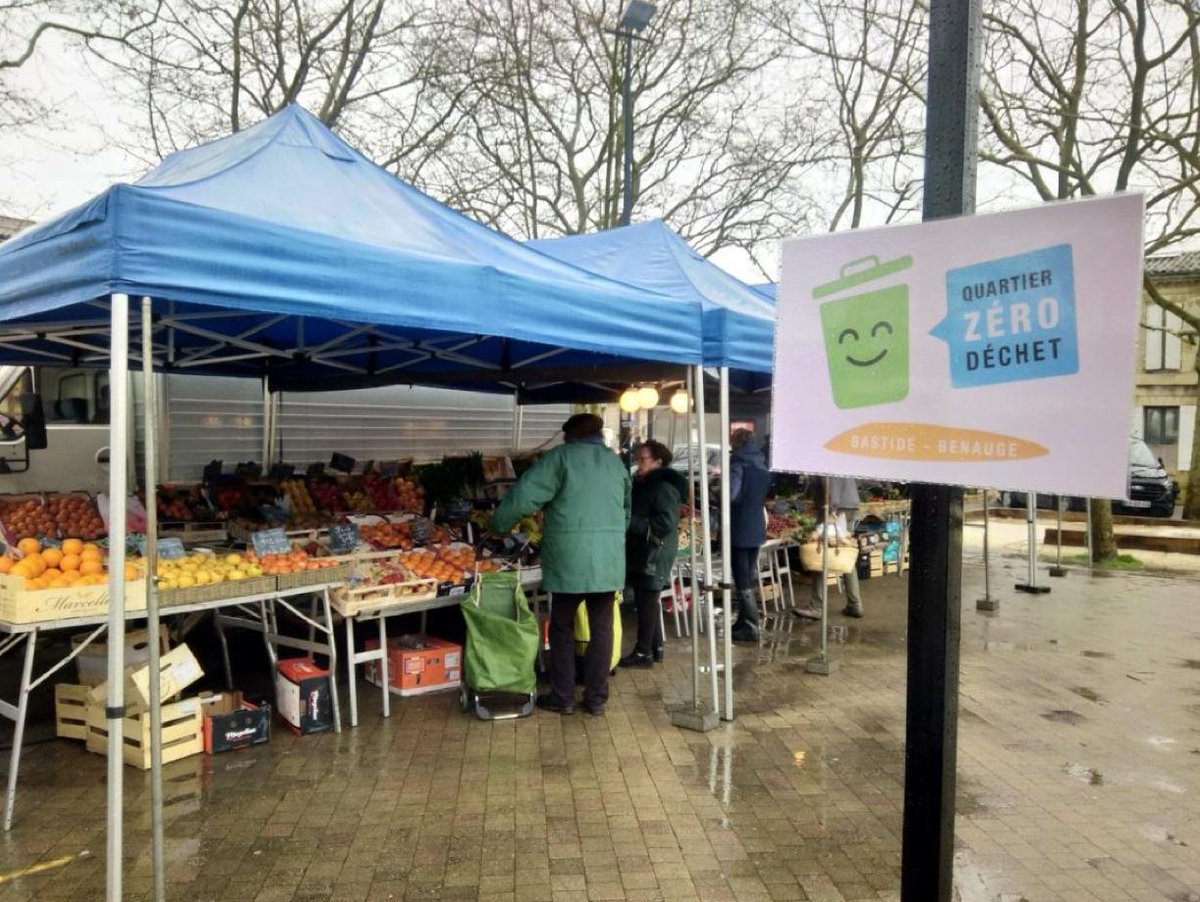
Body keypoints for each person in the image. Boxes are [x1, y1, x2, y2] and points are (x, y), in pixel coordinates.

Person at [490, 412, 631, 716]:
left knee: (562, 627)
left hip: (569, 558)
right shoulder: (614, 462)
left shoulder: (560, 459)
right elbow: (626, 510)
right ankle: (596, 699)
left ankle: (563, 696)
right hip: (607, 561)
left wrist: (499, 524)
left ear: (570, 435)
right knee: (601, 629)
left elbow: (525, 495)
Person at [620, 440, 688, 668]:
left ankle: (643, 653)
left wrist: (630, 521)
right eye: (637, 459)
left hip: (655, 551)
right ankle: (655, 648)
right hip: (645, 548)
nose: (638, 463)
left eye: (643, 459)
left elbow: (666, 522)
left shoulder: (663, 487)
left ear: (658, 462)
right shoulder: (644, 483)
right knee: (647, 599)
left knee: (648, 599)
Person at [794, 476, 864, 620]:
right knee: (845, 554)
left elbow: (831, 479)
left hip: (835, 506)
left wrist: (831, 508)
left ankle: (816, 607)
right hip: (848, 504)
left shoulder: (824, 456)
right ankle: (855, 604)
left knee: (819, 553)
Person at [728, 429, 772, 642]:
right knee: (750, 572)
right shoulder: (763, 466)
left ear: (736, 443)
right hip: (756, 525)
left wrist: (718, 493)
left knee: (741, 575)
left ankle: (752, 625)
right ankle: (743, 620)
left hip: (739, 525)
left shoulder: (738, 464)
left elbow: (733, 495)